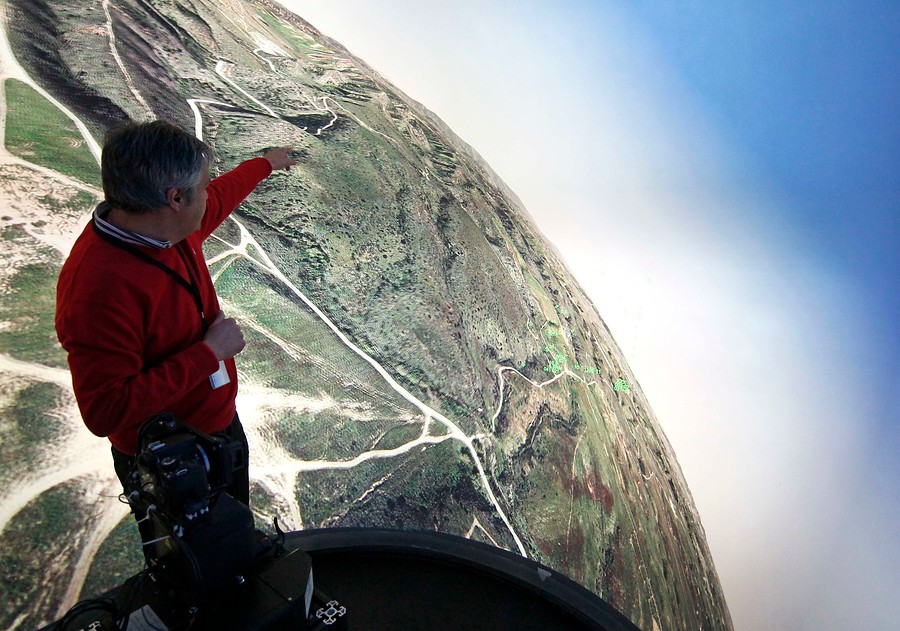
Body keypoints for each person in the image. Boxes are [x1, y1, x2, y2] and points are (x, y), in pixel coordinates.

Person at [55, 120, 296, 505]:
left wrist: (265, 164)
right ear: (175, 198)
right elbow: (105, 410)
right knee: (201, 557)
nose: (207, 197)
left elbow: (222, 194)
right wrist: (208, 354)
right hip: (171, 458)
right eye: (200, 188)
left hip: (215, 427)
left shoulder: (168, 229)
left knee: (234, 533)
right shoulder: (97, 288)